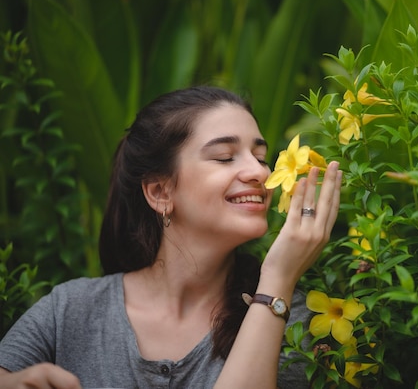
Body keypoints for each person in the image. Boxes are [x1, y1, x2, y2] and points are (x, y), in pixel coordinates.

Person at [0, 85, 342, 388]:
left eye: (261, 156)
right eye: (225, 157)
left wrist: (277, 280)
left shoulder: (289, 315)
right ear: (161, 192)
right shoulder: (71, 310)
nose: (259, 172)